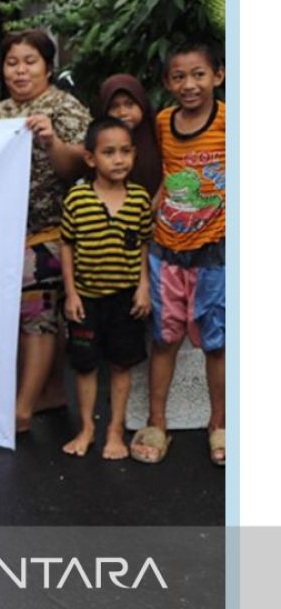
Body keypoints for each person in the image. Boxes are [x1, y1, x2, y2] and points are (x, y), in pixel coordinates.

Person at [0, 29, 91, 432]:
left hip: (51, 233)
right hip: (5, 234)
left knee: (40, 316)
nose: (20, 70)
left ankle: (23, 410)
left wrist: (51, 141)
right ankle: (49, 392)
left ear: (48, 66)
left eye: (30, 61)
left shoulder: (65, 108)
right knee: (17, 320)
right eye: (12, 62)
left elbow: (79, 167)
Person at [131, 41, 226, 467]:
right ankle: (156, 423)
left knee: (217, 343)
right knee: (163, 338)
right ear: (168, 83)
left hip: (216, 252)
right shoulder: (164, 123)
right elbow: (160, 173)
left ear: (218, 76)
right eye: (179, 76)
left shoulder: (231, 119)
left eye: (199, 74)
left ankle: (219, 425)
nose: (189, 84)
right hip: (166, 249)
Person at [60, 117, 153, 460]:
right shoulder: (78, 198)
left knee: (121, 364)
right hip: (86, 300)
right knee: (85, 365)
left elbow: (144, 245)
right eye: (109, 152)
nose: (119, 160)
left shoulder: (140, 199)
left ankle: (115, 430)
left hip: (125, 300)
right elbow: (67, 244)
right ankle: (86, 428)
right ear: (90, 159)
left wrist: (143, 287)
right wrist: (71, 293)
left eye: (126, 151)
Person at [97, 73, 162, 197]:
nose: (122, 112)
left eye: (129, 104)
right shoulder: (98, 142)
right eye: (114, 106)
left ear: (142, 104)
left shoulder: (157, 134)